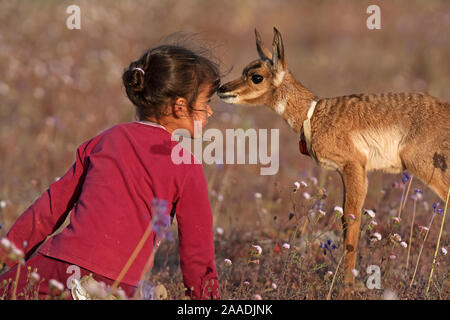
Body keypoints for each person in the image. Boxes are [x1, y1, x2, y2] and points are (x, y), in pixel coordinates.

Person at [0, 42, 221, 300]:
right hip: (117, 284)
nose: (210, 111)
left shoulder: (107, 139)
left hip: (56, 267)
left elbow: (49, 209)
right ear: (180, 107)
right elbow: (197, 254)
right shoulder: (186, 163)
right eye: (206, 103)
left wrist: (7, 255)